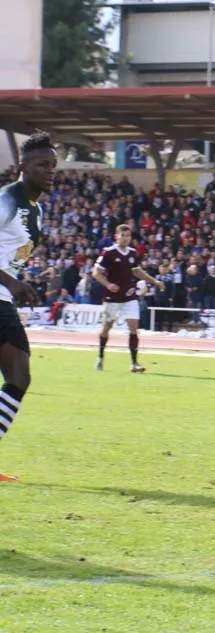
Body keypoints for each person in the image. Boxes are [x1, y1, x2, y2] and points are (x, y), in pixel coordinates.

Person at [0, 132, 56, 482]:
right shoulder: (6, 200)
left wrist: (18, 284)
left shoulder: (36, 209)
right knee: (19, 375)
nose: (50, 171)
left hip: (3, 298)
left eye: (53, 165)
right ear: (23, 167)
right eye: (42, 165)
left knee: (19, 376)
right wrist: (13, 283)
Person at [92, 224, 165, 373]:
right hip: (112, 297)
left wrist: (154, 281)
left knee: (133, 327)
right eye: (122, 235)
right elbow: (96, 272)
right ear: (116, 236)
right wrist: (108, 284)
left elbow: (137, 271)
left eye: (128, 236)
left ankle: (134, 363)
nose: (125, 238)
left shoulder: (133, 253)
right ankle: (100, 356)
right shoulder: (108, 252)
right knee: (107, 327)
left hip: (129, 295)